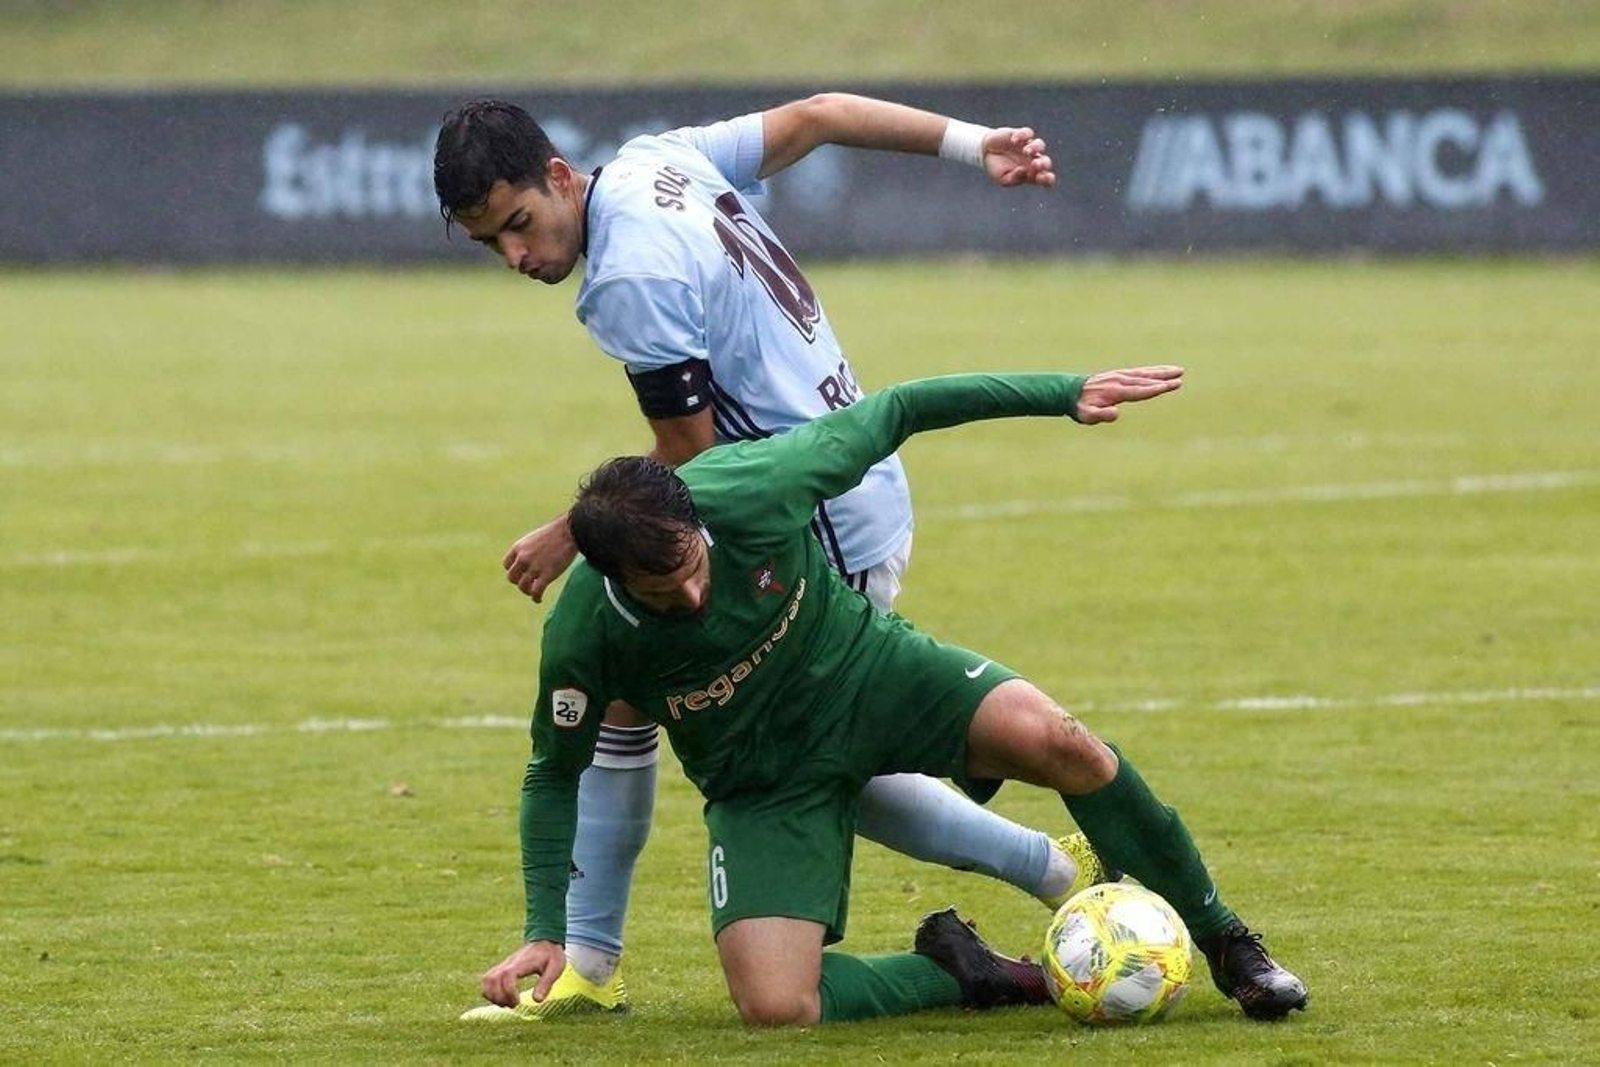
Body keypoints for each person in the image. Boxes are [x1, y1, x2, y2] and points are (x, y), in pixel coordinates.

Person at [434, 93, 1106, 1016]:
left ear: (558, 176)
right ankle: (588, 956)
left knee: (833, 756)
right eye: (490, 245)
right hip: (847, 475)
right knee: (625, 693)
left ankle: (1044, 863)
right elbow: (821, 114)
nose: (516, 256)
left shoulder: (627, 274)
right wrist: (972, 141)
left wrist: (572, 530)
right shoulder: (654, 158)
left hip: (804, 520)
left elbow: (693, 461)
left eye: (518, 224)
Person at [465, 366, 1309, 1026]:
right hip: (764, 783)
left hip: (870, 676)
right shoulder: (583, 634)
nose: (689, 597)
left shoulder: (758, 483)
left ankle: (1228, 940)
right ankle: (971, 971)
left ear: (696, 519)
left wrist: (1063, 394)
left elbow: (900, 407)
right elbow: (552, 773)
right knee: (777, 1007)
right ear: (610, 576)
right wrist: (547, 926)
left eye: (693, 567)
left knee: (1061, 740)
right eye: (660, 590)